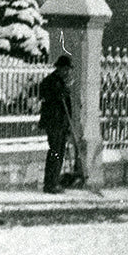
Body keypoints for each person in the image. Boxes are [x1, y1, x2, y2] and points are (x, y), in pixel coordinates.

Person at [38, 54, 74, 194]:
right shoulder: (51, 81)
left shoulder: (62, 82)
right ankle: (50, 183)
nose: (68, 72)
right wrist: (58, 93)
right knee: (55, 152)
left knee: (59, 151)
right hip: (54, 122)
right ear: (61, 68)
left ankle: (54, 181)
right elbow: (45, 96)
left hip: (62, 123)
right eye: (66, 69)